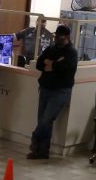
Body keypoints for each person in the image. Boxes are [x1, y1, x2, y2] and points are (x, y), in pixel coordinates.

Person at [27, 25, 78, 160]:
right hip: (45, 88)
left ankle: (35, 137)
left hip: (60, 91)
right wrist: (54, 64)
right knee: (44, 121)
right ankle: (42, 151)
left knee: (46, 120)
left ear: (66, 37)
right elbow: (39, 64)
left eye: (58, 36)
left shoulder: (71, 53)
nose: (55, 38)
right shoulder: (51, 49)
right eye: (55, 35)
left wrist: (51, 64)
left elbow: (65, 68)